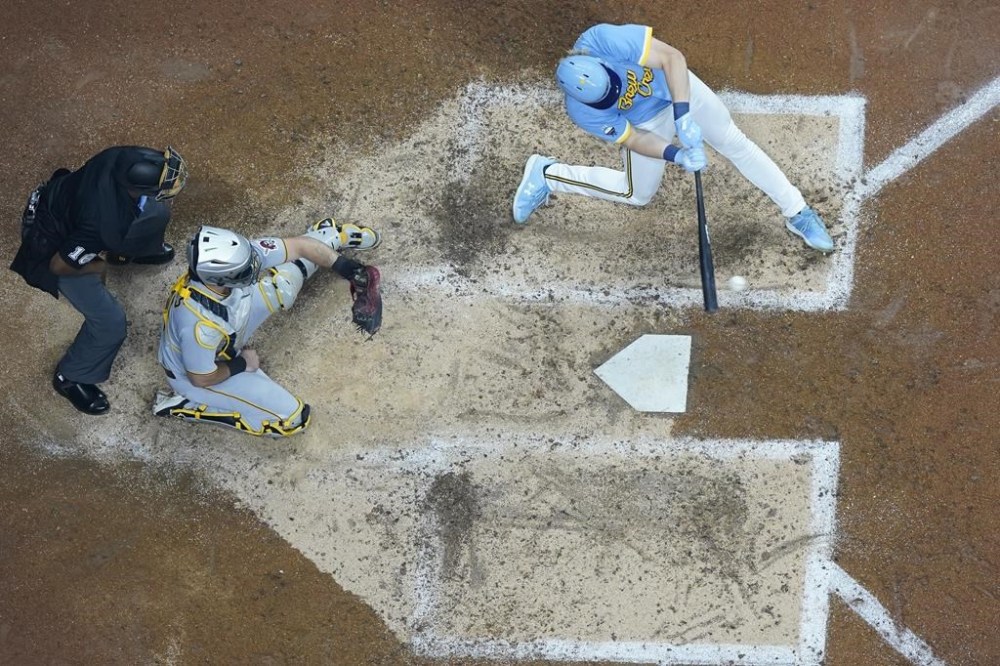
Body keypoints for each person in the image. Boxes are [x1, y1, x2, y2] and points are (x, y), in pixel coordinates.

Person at [511, 23, 835, 254]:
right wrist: (674, 155)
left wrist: (683, 113)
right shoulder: (583, 112)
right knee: (636, 194)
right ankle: (547, 174)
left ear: (600, 64)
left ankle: (798, 212)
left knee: (734, 142)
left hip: (677, 87)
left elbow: (672, 59)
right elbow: (634, 138)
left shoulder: (603, 40)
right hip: (646, 121)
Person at [153, 218, 382, 437]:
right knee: (292, 419)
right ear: (221, 280)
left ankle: (331, 234)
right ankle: (185, 404)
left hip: (231, 319)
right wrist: (243, 363)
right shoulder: (198, 325)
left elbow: (300, 246)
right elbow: (201, 378)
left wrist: (349, 270)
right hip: (196, 374)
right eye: (246, 271)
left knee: (282, 288)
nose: (255, 267)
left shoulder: (235, 257)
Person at [10, 146, 188, 415]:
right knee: (110, 322)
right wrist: (98, 264)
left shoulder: (121, 157)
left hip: (65, 202)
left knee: (156, 213)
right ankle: (71, 377)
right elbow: (59, 264)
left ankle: (135, 252)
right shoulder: (105, 224)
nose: (172, 181)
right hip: (51, 247)